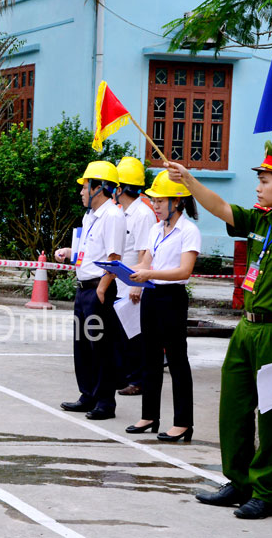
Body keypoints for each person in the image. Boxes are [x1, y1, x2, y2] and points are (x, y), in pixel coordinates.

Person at [167, 141, 272, 519]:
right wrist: (189, 180)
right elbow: (220, 207)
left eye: (265, 180)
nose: (258, 186)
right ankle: (237, 482)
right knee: (234, 409)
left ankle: (265, 492)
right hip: (246, 329)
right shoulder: (261, 220)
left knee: (271, 415)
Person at [124, 170, 200, 442]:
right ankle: (149, 416)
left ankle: (183, 422)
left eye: (159, 200)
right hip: (151, 296)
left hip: (172, 299)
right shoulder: (156, 229)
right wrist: (121, 269)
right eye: (153, 200)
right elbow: (147, 262)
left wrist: (149, 274)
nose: (154, 205)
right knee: (150, 356)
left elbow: (184, 271)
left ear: (177, 201)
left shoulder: (189, 231)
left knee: (178, 360)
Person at [53, 161, 126, 420]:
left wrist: (101, 291)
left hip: (98, 289)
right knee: (83, 346)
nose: (81, 192)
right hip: (84, 287)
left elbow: (113, 257)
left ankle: (105, 402)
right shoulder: (90, 217)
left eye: (85, 186)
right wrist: (70, 253)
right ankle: (88, 395)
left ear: (98, 188)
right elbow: (89, 252)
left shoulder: (113, 216)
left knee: (102, 348)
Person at [113, 156, 156, 396]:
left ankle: (137, 380)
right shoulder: (123, 211)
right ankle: (125, 377)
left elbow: (143, 252)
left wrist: (137, 285)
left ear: (120, 188)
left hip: (132, 284)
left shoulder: (142, 214)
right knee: (122, 335)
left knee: (134, 335)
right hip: (121, 283)